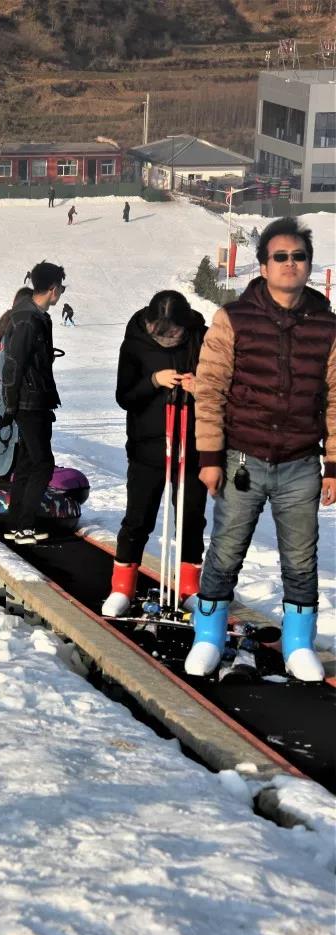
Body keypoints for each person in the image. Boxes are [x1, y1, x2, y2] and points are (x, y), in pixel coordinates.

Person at [185, 217, 336, 682]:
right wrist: (210, 459)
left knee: (300, 557)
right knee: (226, 551)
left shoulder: (329, 326)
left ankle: (297, 642)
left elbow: (335, 398)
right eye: (281, 256)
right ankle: (208, 635)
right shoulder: (233, 318)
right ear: (264, 265)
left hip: (300, 463)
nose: (291, 264)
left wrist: (333, 463)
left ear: (308, 264)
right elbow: (209, 390)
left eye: (299, 256)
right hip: (242, 458)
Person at [102, 291, 207, 616]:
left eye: (173, 334)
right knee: (138, 516)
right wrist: (153, 380)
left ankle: (190, 587)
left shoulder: (200, 338)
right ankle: (122, 586)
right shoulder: (135, 340)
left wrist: (199, 386)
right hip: (147, 445)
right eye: (159, 333)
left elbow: (221, 386)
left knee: (190, 517)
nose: (166, 340)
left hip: (192, 444)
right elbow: (125, 395)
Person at [0, 261, 65, 545]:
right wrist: (11, 404)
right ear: (52, 288)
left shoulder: (35, 316)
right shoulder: (27, 319)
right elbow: (13, 364)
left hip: (34, 398)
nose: (61, 292)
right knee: (42, 464)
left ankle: (16, 524)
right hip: (29, 401)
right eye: (61, 287)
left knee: (27, 462)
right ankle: (25, 526)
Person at [0, 286, 32, 477]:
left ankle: (5, 475)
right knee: (14, 438)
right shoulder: (17, 326)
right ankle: (10, 480)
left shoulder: (6, 323)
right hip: (13, 394)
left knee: (7, 435)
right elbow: (12, 366)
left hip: (2, 392)